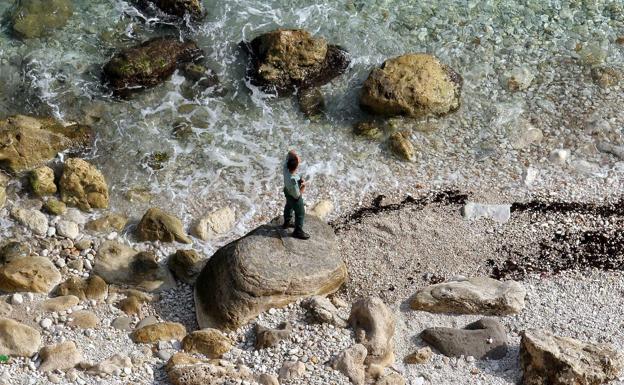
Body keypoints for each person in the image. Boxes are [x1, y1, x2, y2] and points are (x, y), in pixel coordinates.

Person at [282, 150, 310, 239]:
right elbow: (297, 195)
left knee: (289, 206)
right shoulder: (293, 181)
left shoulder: (285, 168)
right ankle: (297, 231)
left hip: (287, 191)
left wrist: (294, 155)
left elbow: (289, 154)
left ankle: (286, 222)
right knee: (300, 213)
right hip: (294, 196)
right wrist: (303, 186)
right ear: (296, 166)